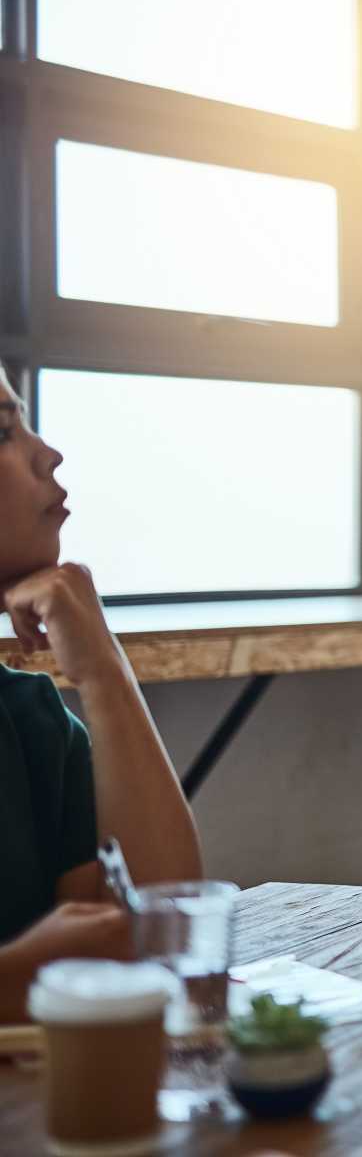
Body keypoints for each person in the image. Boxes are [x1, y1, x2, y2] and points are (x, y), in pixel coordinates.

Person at [0, 368, 201, 1021]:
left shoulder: (30, 723)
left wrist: (104, 672)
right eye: (4, 432)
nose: (47, 453)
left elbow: (163, 926)